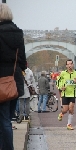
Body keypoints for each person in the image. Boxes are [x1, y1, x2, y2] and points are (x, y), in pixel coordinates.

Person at [0, 4, 27, 150]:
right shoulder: (18, 33)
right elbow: (23, 61)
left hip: (1, 82)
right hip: (14, 82)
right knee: (7, 120)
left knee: (3, 121)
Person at [57, 59, 76, 130]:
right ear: (66, 66)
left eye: (71, 64)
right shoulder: (63, 73)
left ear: (73, 65)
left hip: (72, 94)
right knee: (65, 109)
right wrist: (61, 87)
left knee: (71, 108)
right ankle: (61, 114)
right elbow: (58, 82)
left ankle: (69, 124)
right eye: (68, 64)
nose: (70, 65)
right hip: (65, 94)